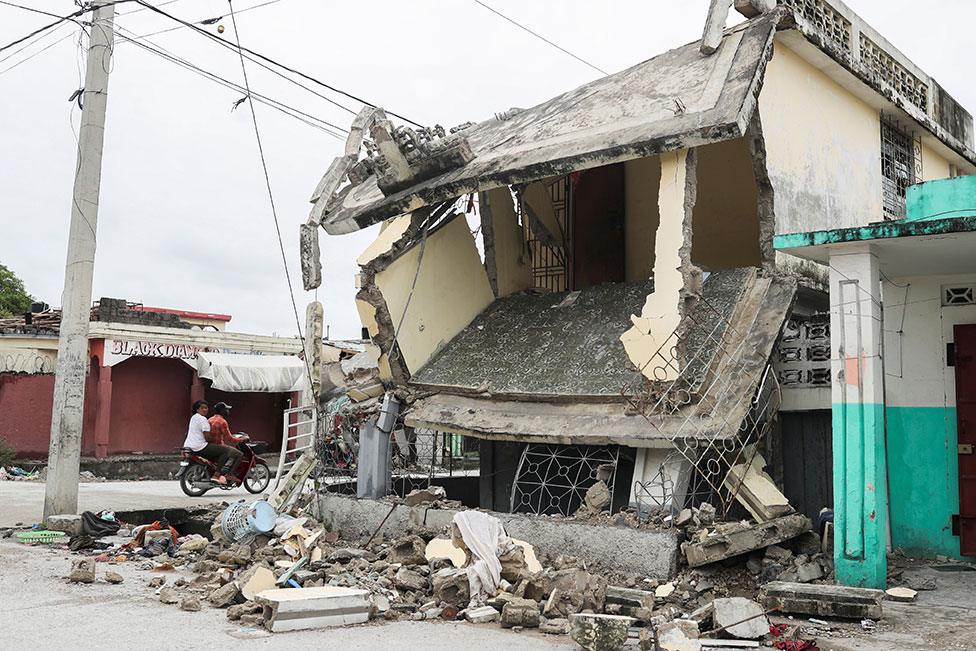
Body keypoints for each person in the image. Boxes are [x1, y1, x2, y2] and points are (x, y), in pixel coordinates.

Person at [182, 400, 240, 485]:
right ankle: (217, 475)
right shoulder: (204, 419)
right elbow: (207, 437)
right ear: (197, 409)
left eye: (206, 408)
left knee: (218, 450)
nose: (205, 410)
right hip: (200, 446)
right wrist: (215, 441)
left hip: (189, 445)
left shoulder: (195, 418)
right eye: (202, 408)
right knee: (226, 451)